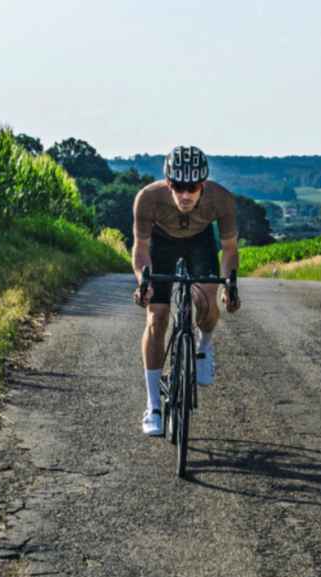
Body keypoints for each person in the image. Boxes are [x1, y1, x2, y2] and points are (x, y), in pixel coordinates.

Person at [132, 145, 241, 436]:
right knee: (156, 317)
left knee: (207, 303)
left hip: (200, 242)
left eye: (191, 187)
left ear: (202, 184)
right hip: (162, 242)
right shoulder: (148, 199)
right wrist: (144, 282)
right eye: (178, 186)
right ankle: (153, 405)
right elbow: (141, 249)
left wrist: (229, 284)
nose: (185, 194)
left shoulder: (221, 200)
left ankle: (203, 348)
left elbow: (229, 249)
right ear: (168, 182)